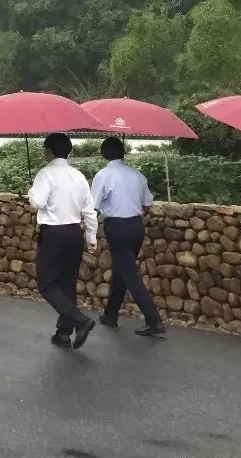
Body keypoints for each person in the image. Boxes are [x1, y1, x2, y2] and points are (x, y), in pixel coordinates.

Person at [27, 133, 98, 350]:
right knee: (67, 283)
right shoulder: (78, 176)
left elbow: (37, 202)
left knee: (46, 283)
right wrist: (91, 237)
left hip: (53, 234)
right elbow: (89, 210)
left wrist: (30, 190)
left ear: (49, 150)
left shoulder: (45, 174)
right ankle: (64, 333)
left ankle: (80, 321)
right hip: (74, 233)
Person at [91, 137, 166, 338]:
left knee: (128, 272)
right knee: (121, 269)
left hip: (117, 227)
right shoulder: (137, 174)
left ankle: (154, 320)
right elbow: (148, 204)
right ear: (123, 153)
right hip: (136, 226)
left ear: (103, 154)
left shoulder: (104, 175)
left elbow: (93, 206)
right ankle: (111, 314)